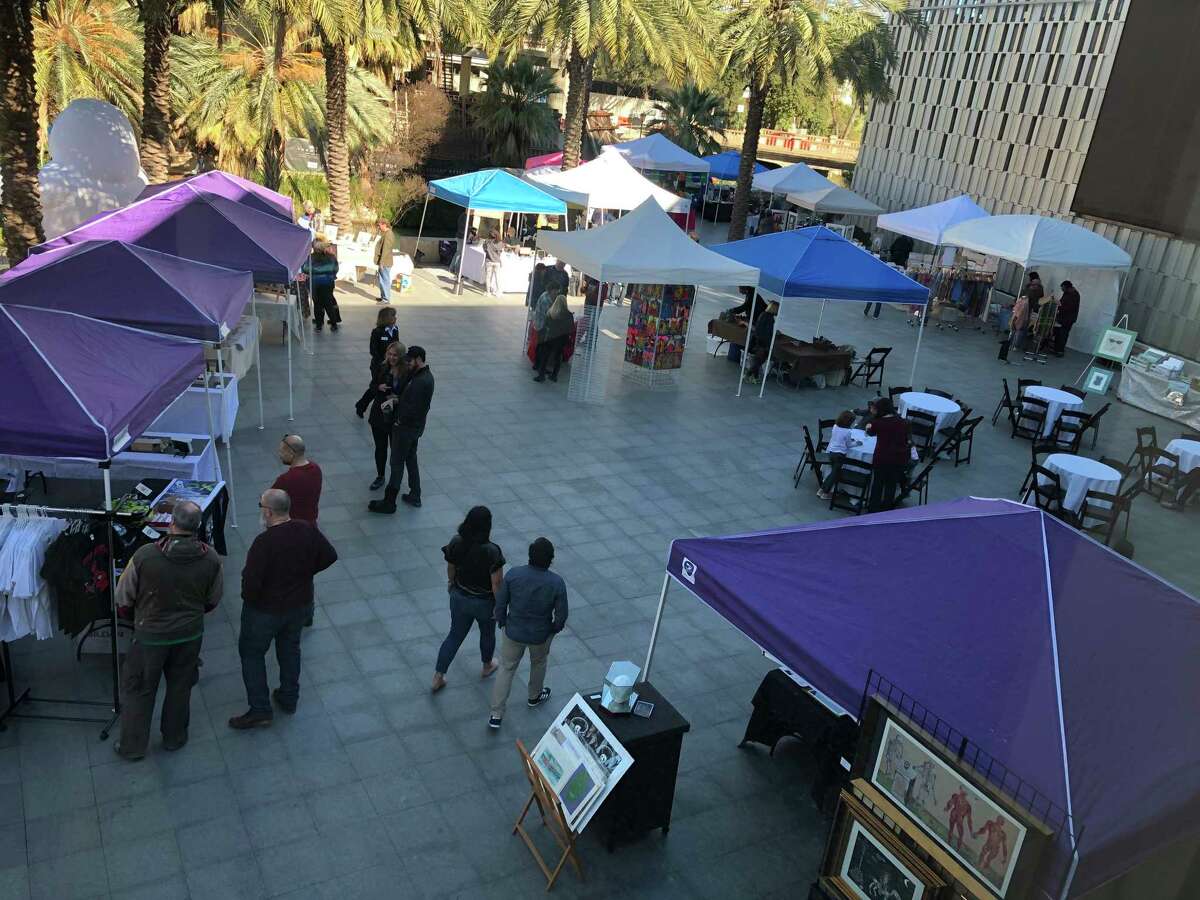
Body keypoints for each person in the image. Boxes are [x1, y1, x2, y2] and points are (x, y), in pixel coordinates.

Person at [114, 501, 221, 760]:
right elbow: (213, 599)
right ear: (196, 527)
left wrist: (137, 617)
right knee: (180, 686)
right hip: (189, 634)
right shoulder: (210, 557)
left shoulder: (145, 556)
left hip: (150, 636)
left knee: (140, 690)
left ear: (172, 523)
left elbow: (123, 598)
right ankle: (174, 737)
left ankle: (132, 747)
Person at [230, 490, 337, 728]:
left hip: (264, 611)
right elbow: (329, 555)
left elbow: (251, 583)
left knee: (252, 654)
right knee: (290, 649)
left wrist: (252, 599)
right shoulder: (307, 529)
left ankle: (259, 709)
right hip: (298, 605)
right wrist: (305, 574)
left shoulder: (264, 543)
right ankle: (289, 697)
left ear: (267, 511)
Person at [488, 537, 568, 729]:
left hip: (513, 631)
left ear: (530, 555)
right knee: (539, 663)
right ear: (550, 559)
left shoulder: (514, 574)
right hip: (540, 635)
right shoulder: (556, 582)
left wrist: (503, 623)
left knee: (506, 669)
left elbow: (501, 603)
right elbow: (561, 615)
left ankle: (496, 715)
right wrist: (552, 630)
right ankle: (534, 696)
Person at [432, 506, 505, 693]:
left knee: (454, 635)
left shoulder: (457, 542)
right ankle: (487, 665)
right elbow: (496, 584)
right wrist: (500, 607)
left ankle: (438, 676)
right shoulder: (492, 551)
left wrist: (451, 583)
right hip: (484, 602)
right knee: (487, 634)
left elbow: (451, 568)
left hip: (459, 597)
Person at [369, 345, 434, 513]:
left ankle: (389, 502)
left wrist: (398, 420)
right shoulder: (424, 376)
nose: (408, 364)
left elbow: (413, 409)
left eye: (410, 360)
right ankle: (415, 494)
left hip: (405, 429)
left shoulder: (420, 381)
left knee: (396, 463)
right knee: (411, 459)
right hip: (415, 429)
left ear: (419, 359)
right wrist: (399, 399)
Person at [367, 342, 406, 490]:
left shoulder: (406, 372)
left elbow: (409, 394)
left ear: (401, 356)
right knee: (380, 447)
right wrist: (378, 387)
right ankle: (380, 475)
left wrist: (399, 398)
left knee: (395, 450)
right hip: (380, 414)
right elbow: (372, 386)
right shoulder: (382, 367)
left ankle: (395, 479)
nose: (391, 357)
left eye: (395, 355)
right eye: (389, 354)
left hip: (396, 416)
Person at [866, 397, 911, 512]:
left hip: (882, 458)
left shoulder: (878, 423)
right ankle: (887, 510)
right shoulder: (902, 422)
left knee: (878, 485)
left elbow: (870, 432)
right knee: (891, 486)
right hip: (898, 458)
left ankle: (873, 509)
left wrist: (868, 427)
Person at [355, 306, 400, 417]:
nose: (395, 318)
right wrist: (384, 361)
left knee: (384, 387)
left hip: (391, 364)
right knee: (378, 387)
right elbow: (373, 350)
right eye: (393, 316)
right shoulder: (377, 332)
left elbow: (397, 346)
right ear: (386, 318)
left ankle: (382, 410)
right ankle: (362, 405)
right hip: (378, 366)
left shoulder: (395, 330)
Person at [272, 435, 322, 525]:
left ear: (291, 453)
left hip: (293, 528)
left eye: (281, 451)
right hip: (311, 526)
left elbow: (270, 501)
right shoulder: (316, 469)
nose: (279, 454)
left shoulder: (286, 479)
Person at [817, 410, 857, 501]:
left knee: (833, 472)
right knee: (834, 474)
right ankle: (825, 492)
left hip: (831, 452)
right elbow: (849, 445)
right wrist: (857, 443)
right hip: (839, 455)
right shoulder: (848, 432)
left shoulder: (835, 426)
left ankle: (822, 489)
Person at [535, 295, 574, 383]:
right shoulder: (568, 314)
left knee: (545, 356)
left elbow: (546, 325)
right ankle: (554, 375)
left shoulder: (551, 312)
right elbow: (571, 328)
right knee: (558, 357)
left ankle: (541, 375)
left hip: (551, 337)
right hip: (562, 339)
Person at [305, 240, 341, 332]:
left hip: (314, 283)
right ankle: (333, 324)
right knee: (328, 303)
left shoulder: (310, 258)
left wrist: (316, 271)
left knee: (317, 304)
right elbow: (335, 269)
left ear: (315, 248)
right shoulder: (331, 257)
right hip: (328, 283)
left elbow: (305, 268)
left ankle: (319, 325)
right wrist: (330, 274)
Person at [745, 301, 779, 384]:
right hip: (763, 343)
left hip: (758, 341)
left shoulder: (763, 314)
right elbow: (766, 333)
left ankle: (754, 377)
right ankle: (748, 375)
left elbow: (760, 329)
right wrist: (769, 344)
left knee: (758, 360)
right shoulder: (769, 318)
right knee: (759, 361)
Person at [1054, 280, 1080, 356]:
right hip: (1063, 317)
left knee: (1063, 334)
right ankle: (1056, 349)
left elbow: (1069, 307)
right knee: (1059, 333)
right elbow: (1062, 302)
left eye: (1062, 288)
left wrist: (1059, 305)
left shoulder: (1074, 295)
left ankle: (1060, 351)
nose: (1061, 289)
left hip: (1068, 319)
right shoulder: (1067, 293)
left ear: (1067, 287)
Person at [373, 218, 395, 304]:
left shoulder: (388, 234)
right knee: (382, 279)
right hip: (384, 261)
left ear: (384, 224)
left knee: (384, 280)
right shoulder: (386, 233)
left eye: (379, 225)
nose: (378, 227)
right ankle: (383, 297)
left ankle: (386, 299)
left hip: (385, 262)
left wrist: (381, 262)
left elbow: (386, 250)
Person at [483, 228, 505, 296]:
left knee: (488, 277)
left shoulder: (486, 241)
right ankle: (498, 291)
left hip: (489, 261)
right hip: (497, 261)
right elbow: (500, 251)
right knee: (497, 277)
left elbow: (484, 249)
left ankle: (488, 292)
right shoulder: (500, 242)